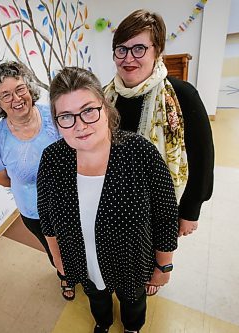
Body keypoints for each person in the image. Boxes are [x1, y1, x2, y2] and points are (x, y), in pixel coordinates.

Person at [38, 67, 178, 333]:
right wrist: (59, 260)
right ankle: (103, 322)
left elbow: (166, 214)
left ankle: (132, 327)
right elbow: (46, 217)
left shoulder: (139, 152)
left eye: (88, 110)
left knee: (133, 302)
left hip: (132, 261)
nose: (80, 125)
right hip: (82, 259)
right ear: (57, 122)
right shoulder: (52, 160)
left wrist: (164, 264)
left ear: (105, 107)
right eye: (66, 116)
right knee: (97, 299)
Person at [104, 10, 214, 244]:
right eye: (121, 49)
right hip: (116, 201)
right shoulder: (106, 97)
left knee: (153, 255)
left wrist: (190, 211)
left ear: (158, 50)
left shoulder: (182, 95)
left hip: (160, 206)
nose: (128, 58)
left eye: (139, 48)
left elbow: (202, 156)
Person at [0, 61, 74, 301]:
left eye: (19, 89)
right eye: (5, 95)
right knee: (53, 249)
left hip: (72, 199)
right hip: (34, 210)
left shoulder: (53, 115)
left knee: (79, 240)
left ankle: (88, 274)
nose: (16, 99)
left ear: (29, 88)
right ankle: (65, 276)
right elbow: (1, 178)